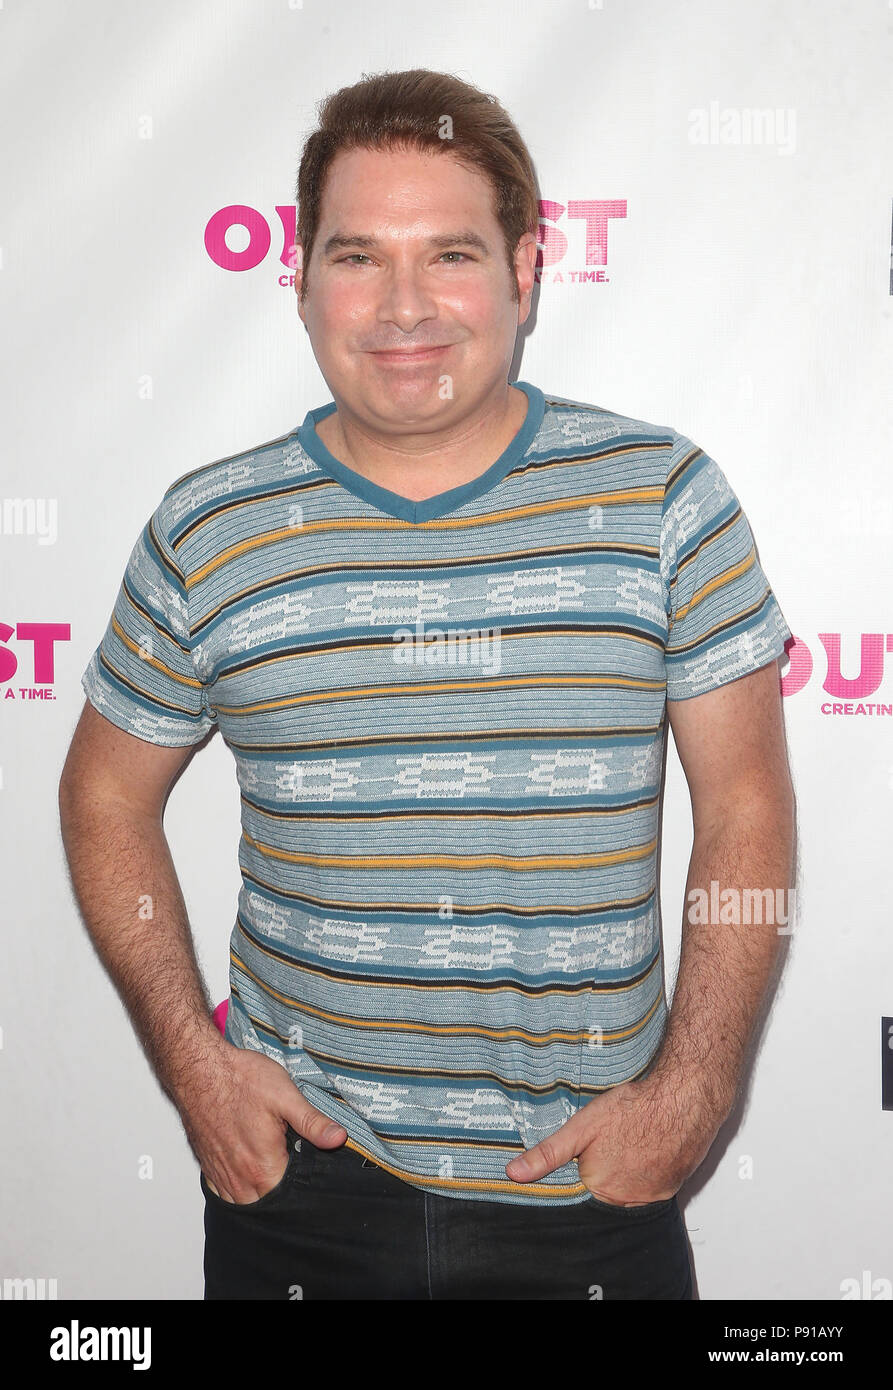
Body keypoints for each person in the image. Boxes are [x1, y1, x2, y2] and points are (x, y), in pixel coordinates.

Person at [58, 68, 796, 1301]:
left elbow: (746, 814)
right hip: (302, 1187)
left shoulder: (662, 501)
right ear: (298, 282)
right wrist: (194, 1062)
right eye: (356, 257)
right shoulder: (208, 530)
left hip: (588, 1193)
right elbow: (102, 801)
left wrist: (694, 1090)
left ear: (525, 269)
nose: (403, 305)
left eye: (449, 253)